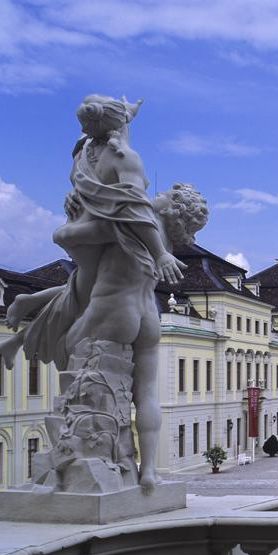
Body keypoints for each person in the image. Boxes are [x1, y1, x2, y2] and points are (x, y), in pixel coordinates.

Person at [1, 95, 184, 492]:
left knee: (77, 362)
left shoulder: (123, 224)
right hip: (147, 317)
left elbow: (102, 221)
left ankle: (75, 461)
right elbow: (127, 170)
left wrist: (79, 212)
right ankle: (146, 470)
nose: (155, 191)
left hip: (113, 311)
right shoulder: (146, 226)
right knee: (146, 394)